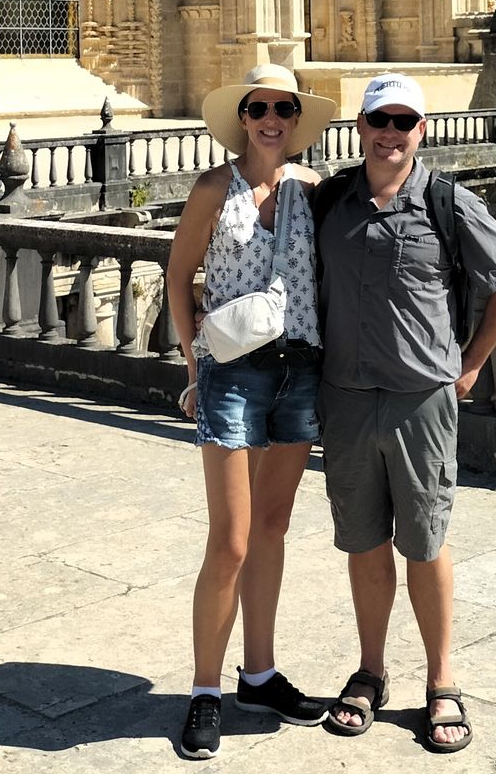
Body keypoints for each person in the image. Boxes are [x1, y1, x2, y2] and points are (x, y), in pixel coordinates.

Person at [314, 72, 496, 754]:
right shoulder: (331, 200)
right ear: (361, 127)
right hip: (346, 397)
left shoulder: (446, 200)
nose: (390, 133)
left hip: (420, 400)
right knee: (363, 541)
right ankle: (370, 672)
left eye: (404, 122)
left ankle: (442, 682)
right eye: (380, 120)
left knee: (426, 543)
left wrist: (471, 364)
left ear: (421, 131)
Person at [164, 64, 340, 759]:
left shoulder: (314, 190)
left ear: (296, 120)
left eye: (283, 108)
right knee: (230, 539)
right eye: (259, 107)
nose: (271, 118)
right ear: (242, 116)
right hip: (232, 373)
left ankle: (258, 675)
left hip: (300, 369)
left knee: (272, 528)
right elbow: (180, 275)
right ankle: (205, 688)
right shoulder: (214, 187)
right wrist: (193, 362)